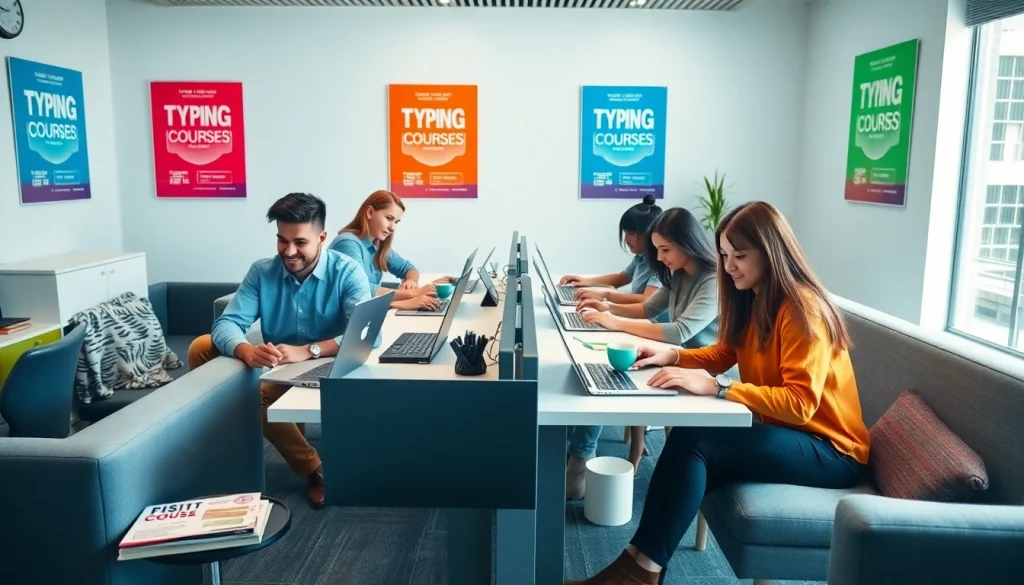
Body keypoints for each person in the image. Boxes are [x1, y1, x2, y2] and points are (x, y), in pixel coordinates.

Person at [566, 201, 870, 585]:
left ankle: (639, 571)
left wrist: (722, 386)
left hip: (830, 449)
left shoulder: (801, 309)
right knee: (690, 441)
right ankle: (637, 566)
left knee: (696, 443)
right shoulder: (755, 298)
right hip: (791, 434)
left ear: (772, 253)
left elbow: (800, 404)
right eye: (725, 255)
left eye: (740, 256)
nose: (729, 266)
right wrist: (672, 354)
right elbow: (724, 352)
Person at [187, 192, 373, 510]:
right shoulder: (262, 272)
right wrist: (245, 349)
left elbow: (368, 334)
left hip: (328, 364)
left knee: (250, 397)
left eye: (300, 242)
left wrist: (309, 350)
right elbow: (226, 323)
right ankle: (223, 449)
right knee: (202, 346)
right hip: (277, 367)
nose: (289, 251)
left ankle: (313, 470)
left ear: (322, 237)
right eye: (281, 240)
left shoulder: (347, 271)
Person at [572, 207, 720, 477]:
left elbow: (680, 331)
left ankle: (583, 463)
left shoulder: (713, 280)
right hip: (677, 356)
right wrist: (605, 309)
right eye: (658, 251)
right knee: (605, 372)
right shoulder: (678, 272)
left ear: (686, 244)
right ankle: (582, 458)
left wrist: (612, 321)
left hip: (704, 368)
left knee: (616, 374)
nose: (660, 258)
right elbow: (648, 309)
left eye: (665, 250)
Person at [330, 189, 451, 311]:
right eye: (389, 218)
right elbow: (361, 289)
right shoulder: (347, 244)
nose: (392, 227)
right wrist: (413, 294)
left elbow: (409, 268)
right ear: (370, 212)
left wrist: (411, 281)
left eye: (396, 222)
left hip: (365, 315)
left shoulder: (377, 244)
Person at [560, 195, 664, 305]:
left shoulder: (660, 264)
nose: (626, 239)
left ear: (649, 234)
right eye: (625, 233)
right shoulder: (641, 257)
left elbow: (646, 300)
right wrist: (586, 281)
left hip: (651, 321)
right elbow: (621, 278)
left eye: (631, 234)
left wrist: (605, 296)